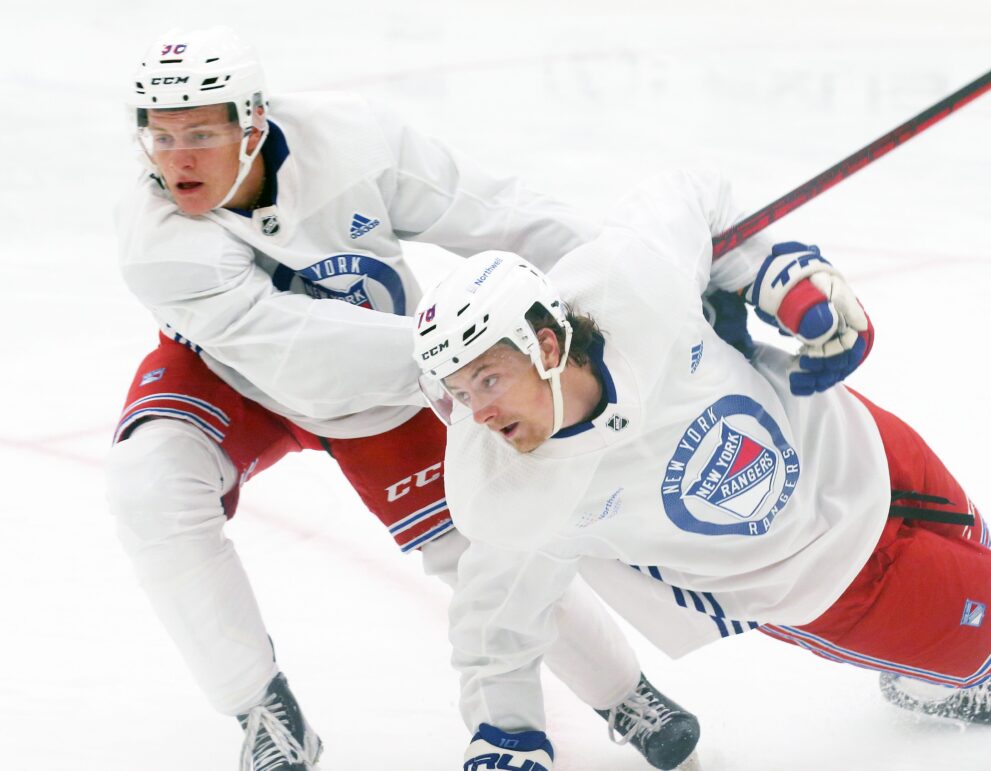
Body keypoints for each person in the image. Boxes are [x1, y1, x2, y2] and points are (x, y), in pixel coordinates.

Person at [411, 168, 991, 768]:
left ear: (546, 343)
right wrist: (504, 727)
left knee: (980, 546)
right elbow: (496, 614)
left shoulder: (629, 282)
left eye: (487, 378)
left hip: (858, 443)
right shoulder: (505, 490)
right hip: (825, 586)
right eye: (458, 391)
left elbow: (698, 196)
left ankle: (930, 681)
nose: (477, 411)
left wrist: (782, 275)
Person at [106, 26, 704, 771]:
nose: (177, 160)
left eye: (199, 132)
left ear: (253, 122)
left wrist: (608, 273)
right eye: (159, 139)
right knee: (149, 485)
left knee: (489, 541)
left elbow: (494, 211)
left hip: (387, 387)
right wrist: (467, 355)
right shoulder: (154, 239)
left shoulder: (352, 139)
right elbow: (295, 346)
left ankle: (622, 692)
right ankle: (262, 708)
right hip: (233, 373)